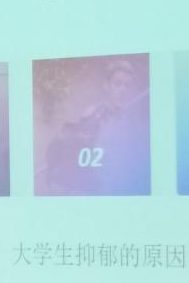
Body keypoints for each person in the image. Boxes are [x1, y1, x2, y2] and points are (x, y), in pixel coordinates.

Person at [41, 60, 150, 195]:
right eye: (118, 84)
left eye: (127, 85)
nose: (123, 90)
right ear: (107, 86)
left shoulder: (128, 118)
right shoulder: (95, 115)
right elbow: (79, 158)